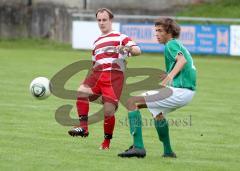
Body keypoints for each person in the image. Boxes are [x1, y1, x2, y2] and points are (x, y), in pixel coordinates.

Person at [118, 18, 196, 158]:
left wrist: (170, 76)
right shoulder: (176, 44)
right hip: (186, 92)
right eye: (156, 31)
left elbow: (182, 61)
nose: (157, 34)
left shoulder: (171, 44)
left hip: (180, 91)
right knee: (157, 114)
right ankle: (168, 152)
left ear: (169, 32)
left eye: (160, 31)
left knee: (132, 102)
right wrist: (169, 73)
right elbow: (184, 62)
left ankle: (138, 147)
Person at [68, 8, 141, 150]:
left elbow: (138, 50)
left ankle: (106, 142)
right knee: (82, 91)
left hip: (114, 77)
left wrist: (126, 49)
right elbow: (94, 64)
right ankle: (83, 128)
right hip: (97, 74)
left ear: (110, 20)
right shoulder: (96, 42)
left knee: (108, 111)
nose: (101, 23)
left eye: (104, 20)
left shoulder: (120, 37)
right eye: (99, 20)